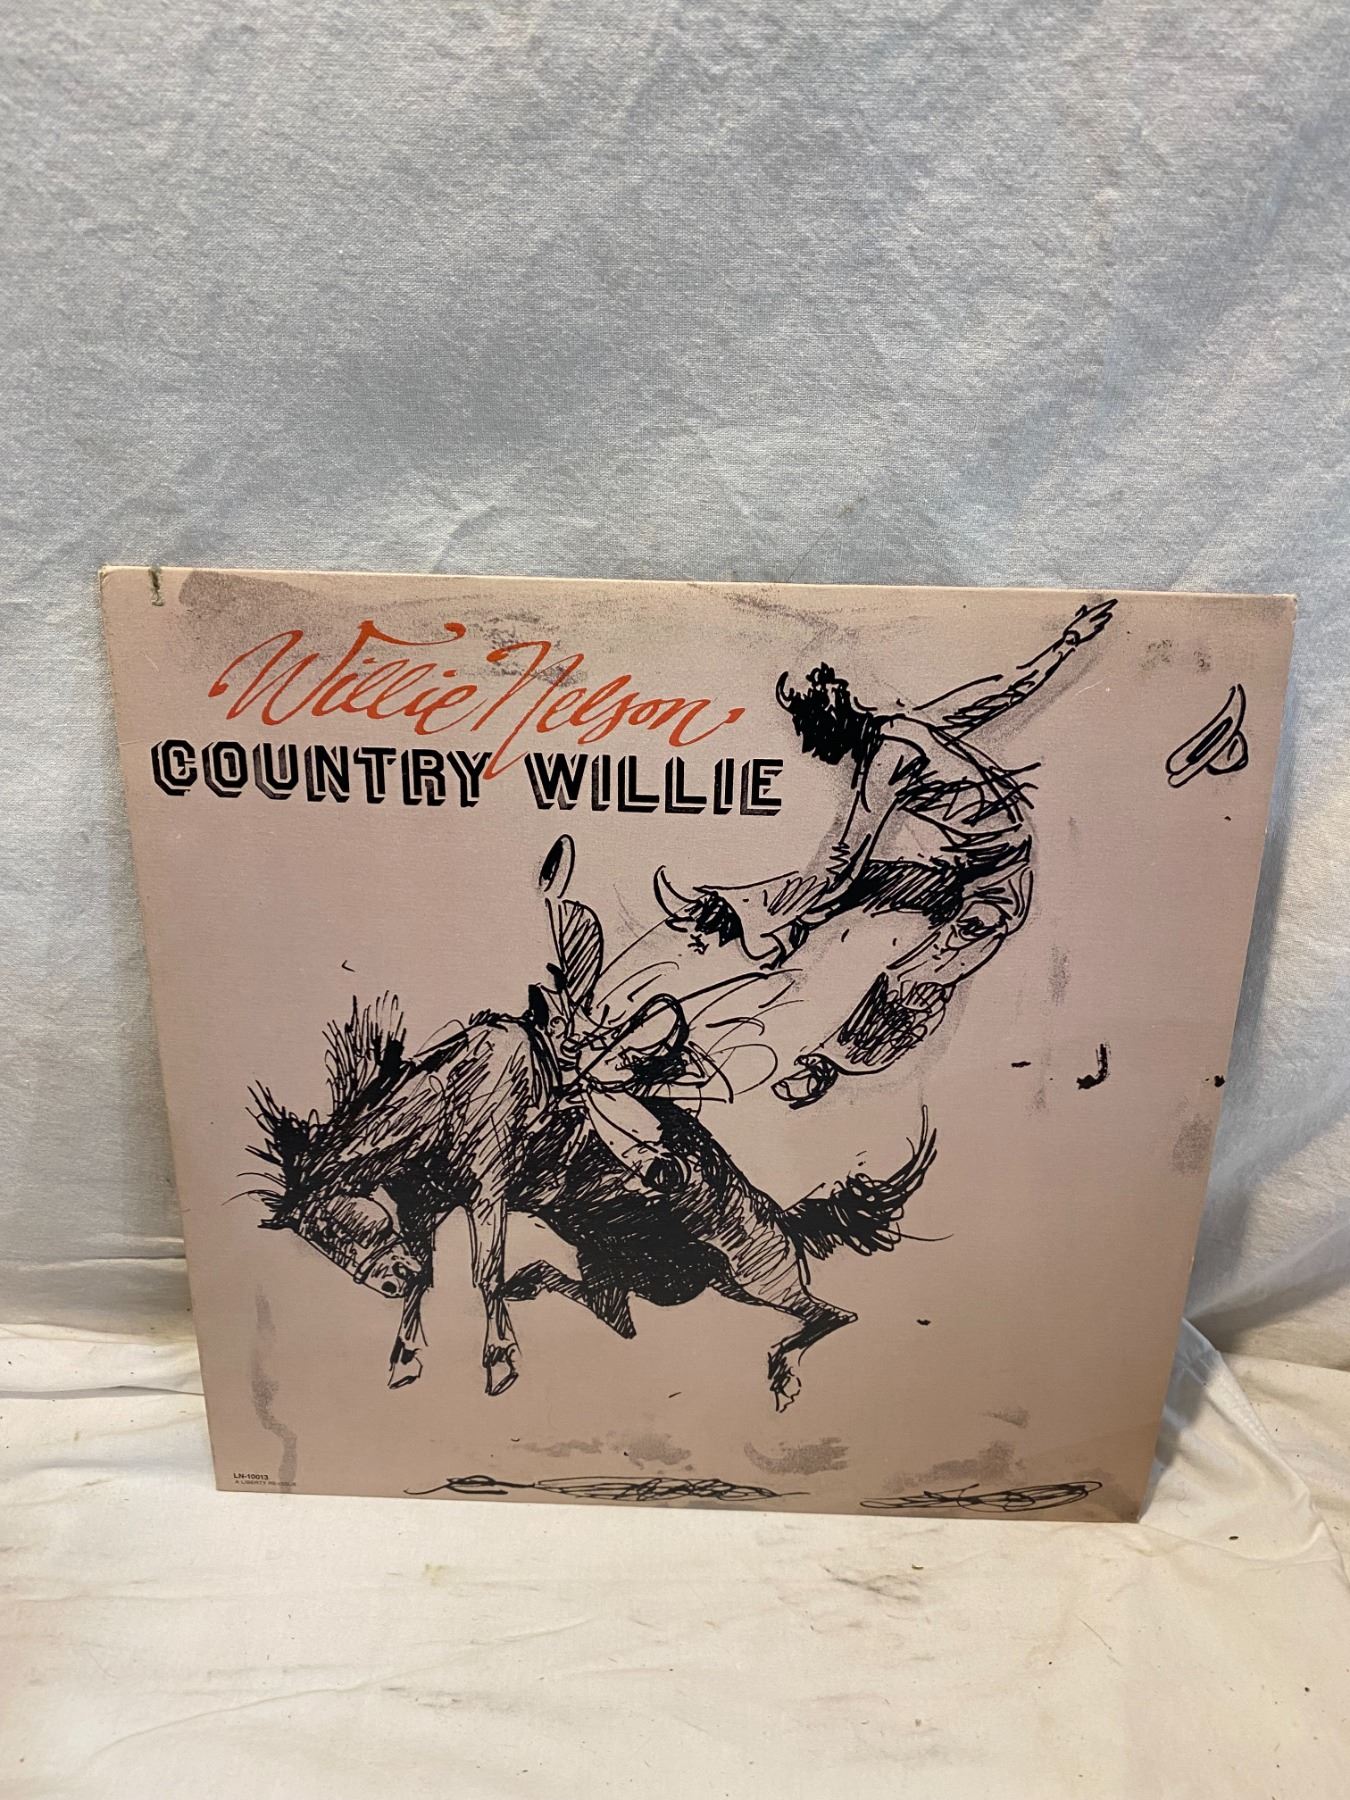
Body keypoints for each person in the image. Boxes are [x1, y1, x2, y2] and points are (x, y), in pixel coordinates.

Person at [654, 598, 1116, 1105]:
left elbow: (840, 859)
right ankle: (745, 918)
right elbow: (1006, 690)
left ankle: (826, 1064)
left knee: (916, 975)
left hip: (998, 893)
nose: (812, 746)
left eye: (811, 730)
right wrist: (1069, 641)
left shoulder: (890, 759)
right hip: (957, 873)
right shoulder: (907, 725)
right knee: (868, 880)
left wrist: (796, 905)